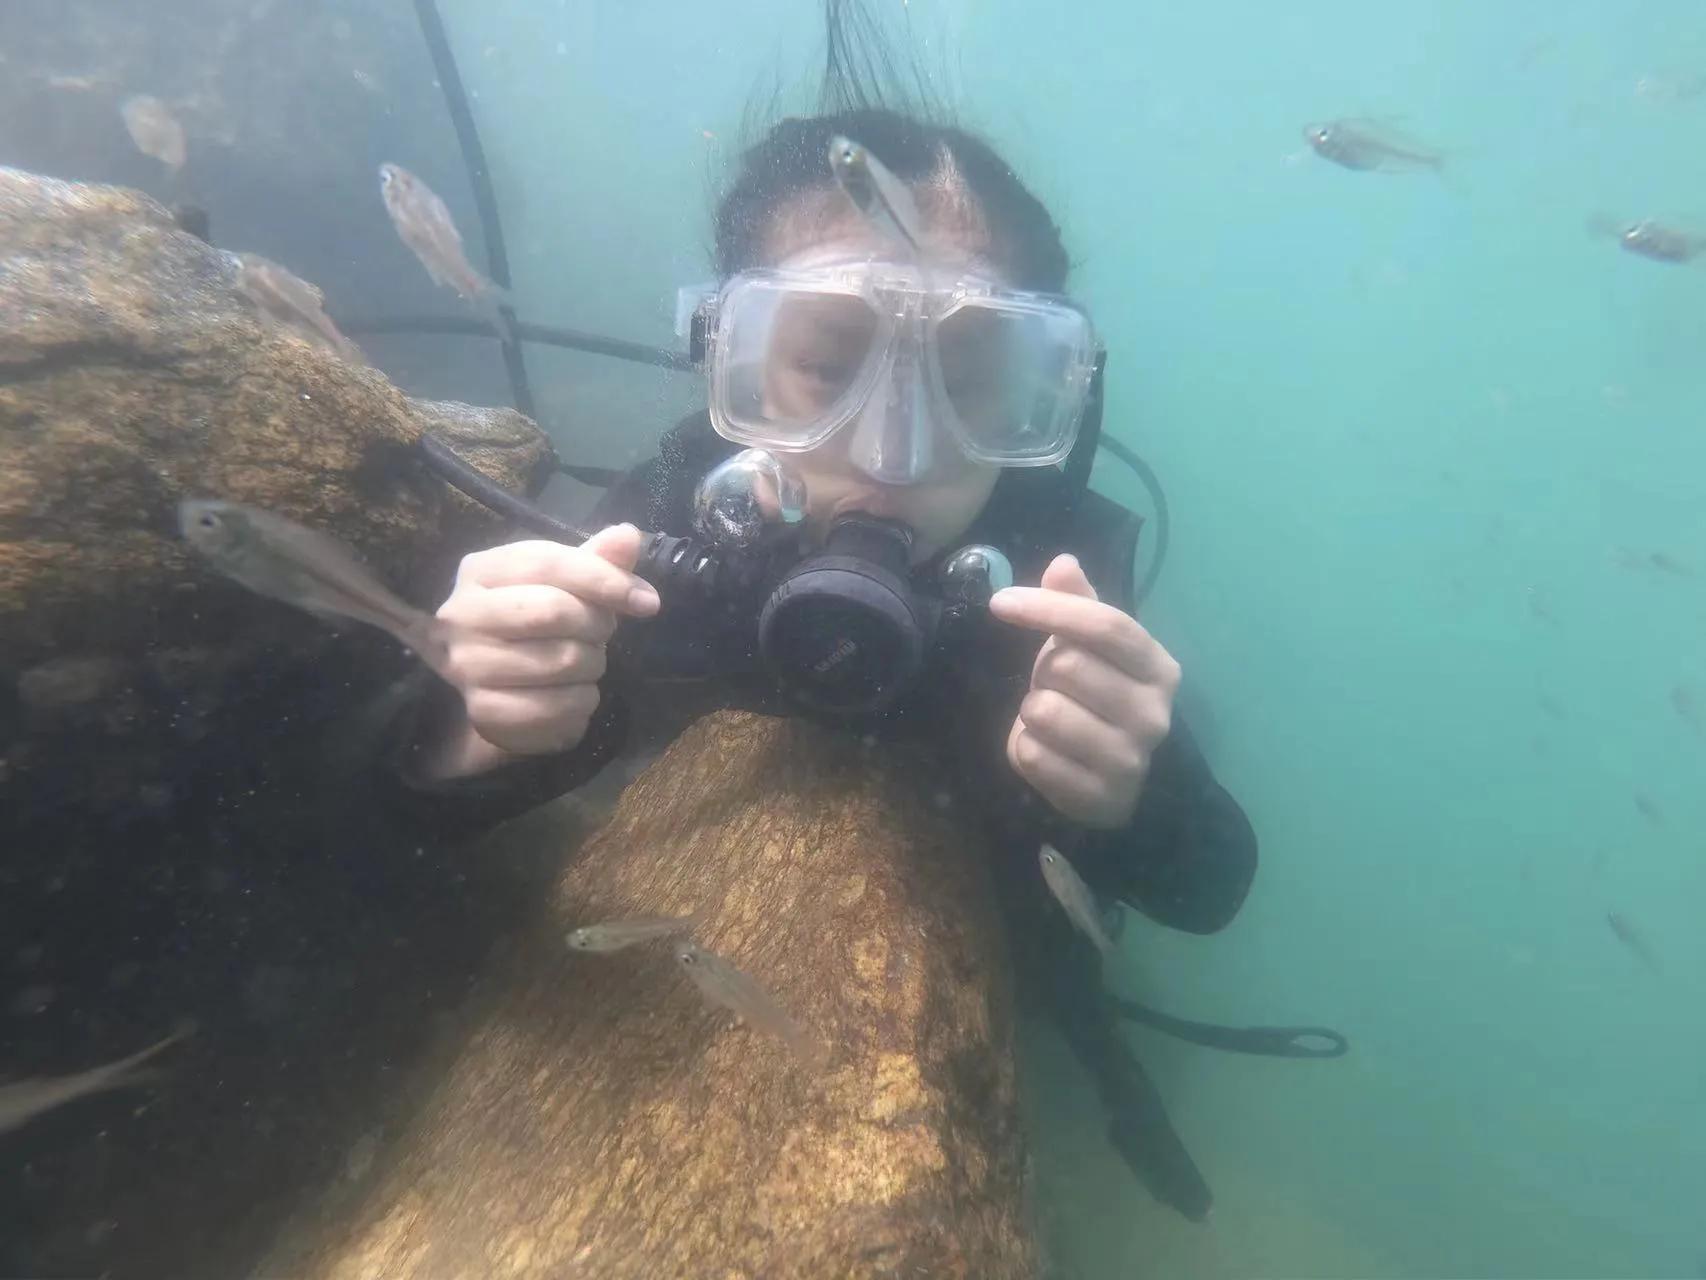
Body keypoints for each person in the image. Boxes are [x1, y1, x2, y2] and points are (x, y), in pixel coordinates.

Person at [378, 102, 1256, 1221]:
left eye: (972, 380)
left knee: (1065, 942)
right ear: (729, 362)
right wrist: (467, 726)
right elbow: (372, 816)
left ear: (1056, 399)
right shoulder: (671, 526)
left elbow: (1212, 885)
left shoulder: (1055, 583)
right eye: (825, 365)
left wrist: (1137, 788)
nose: (892, 454)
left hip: (1004, 905)